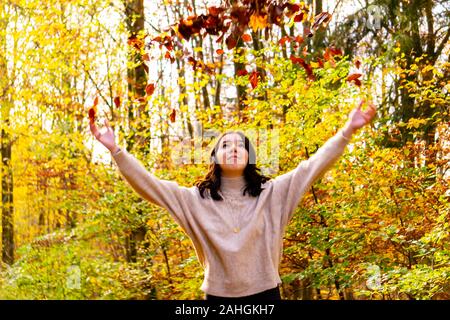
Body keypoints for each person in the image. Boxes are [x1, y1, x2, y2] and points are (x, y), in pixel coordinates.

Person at [89, 100, 376, 300]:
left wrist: (348, 130)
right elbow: (150, 186)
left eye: (241, 145)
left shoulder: (273, 194)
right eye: (225, 144)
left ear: (250, 156)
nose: (234, 148)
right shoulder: (194, 200)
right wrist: (116, 151)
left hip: (266, 296)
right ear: (214, 157)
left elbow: (313, 166)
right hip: (217, 299)